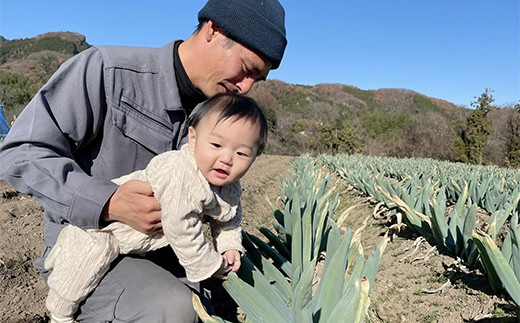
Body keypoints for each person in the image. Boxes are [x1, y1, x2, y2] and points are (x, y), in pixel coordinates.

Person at [0, 0, 286, 321]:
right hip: (93, 242)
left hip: (163, 250)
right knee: (172, 307)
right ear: (213, 30)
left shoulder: (220, 117)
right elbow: (21, 150)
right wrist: (107, 202)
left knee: (200, 303)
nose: (246, 88)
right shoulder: (108, 70)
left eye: (257, 80)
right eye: (247, 69)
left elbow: (225, 199)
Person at [43, 93, 267, 323]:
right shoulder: (178, 172)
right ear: (193, 138)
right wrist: (210, 265)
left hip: (141, 244)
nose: (226, 158)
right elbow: (181, 228)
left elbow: (228, 219)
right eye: (217, 145)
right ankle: (59, 317)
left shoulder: (229, 187)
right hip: (103, 232)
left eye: (241, 153)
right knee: (75, 281)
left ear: (254, 157)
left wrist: (229, 247)